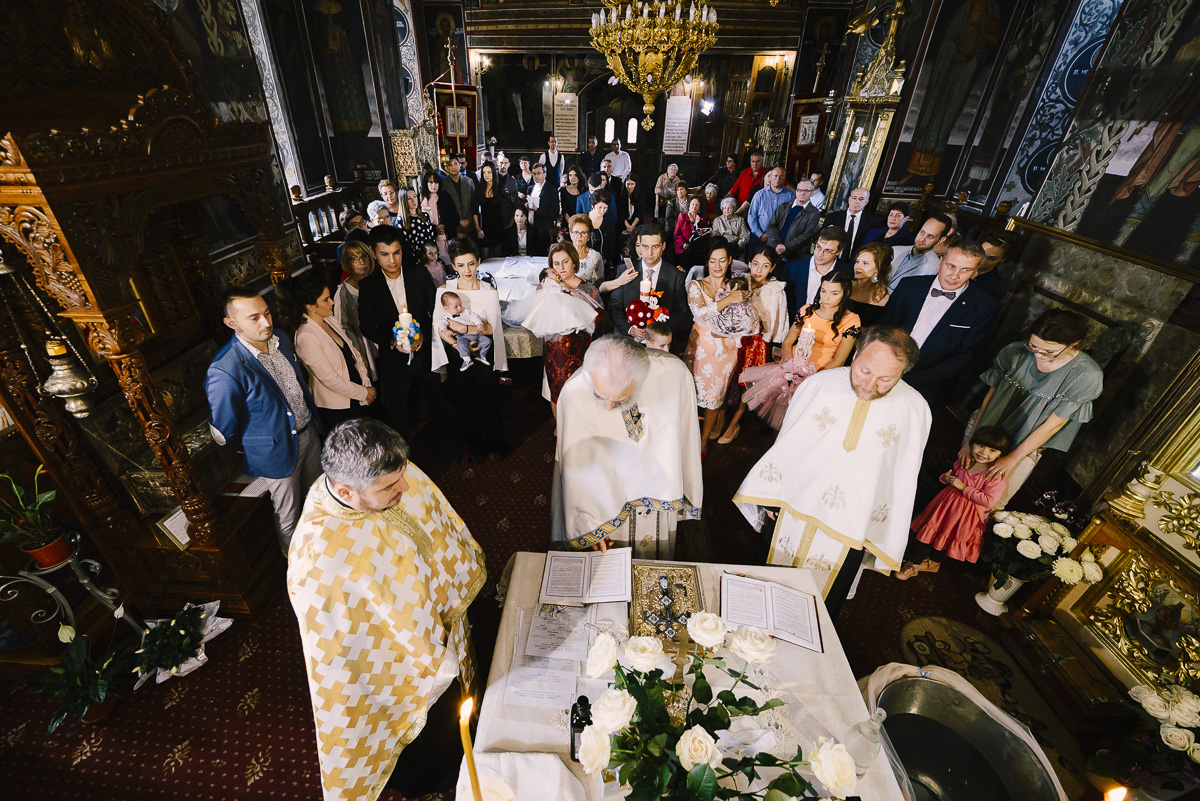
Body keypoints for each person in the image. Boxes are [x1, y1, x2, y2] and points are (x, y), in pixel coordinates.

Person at [286, 418, 485, 800]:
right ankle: (435, 775)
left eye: (402, 477)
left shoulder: (389, 473)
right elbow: (347, 649)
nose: (405, 488)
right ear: (346, 491)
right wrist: (422, 646)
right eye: (390, 487)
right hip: (395, 665)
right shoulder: (319, 562)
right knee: (429, 732)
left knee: (454, 703)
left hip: (435, 621)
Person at [733, 326, 932, 618]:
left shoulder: (914, 409)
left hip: (852, 523)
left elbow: (902, 477)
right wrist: (771, 496)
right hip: (794, 505)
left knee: (819, 609)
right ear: (855, 354)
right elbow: (788, 443)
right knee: (764, 587)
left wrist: (878, 531)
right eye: (864, 371)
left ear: (903, 372)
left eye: (886, 378)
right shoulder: (820, 385)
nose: (870, 384)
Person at [551, 334, 702, 559]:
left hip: (659, 491)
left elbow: (685, 433)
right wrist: (589, 525)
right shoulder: (575, 394)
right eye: (600, 395)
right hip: (605, 501)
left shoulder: (673, 375)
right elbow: (576, 467)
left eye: (620, 399)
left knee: (655, 559)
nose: (608, 406)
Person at [206, 286, 322, 551]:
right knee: (289, 516)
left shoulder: (279, 337)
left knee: (319, 498)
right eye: (254, 318)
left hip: (309, 432)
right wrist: (260, 445)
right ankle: (296, 567)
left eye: (267, 313)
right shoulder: (225, 369)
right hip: (276, 452)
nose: (266, 322)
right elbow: (224, 429)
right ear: (231, 323)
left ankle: (324, 552)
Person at [963, 309, 1103, 509]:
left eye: (1049, 352)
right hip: (983, 433)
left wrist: (1012, 459)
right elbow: (989, 400)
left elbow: (1052, 426)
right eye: (1033, 346)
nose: (1038, 355)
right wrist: (971, 441)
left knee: (990, 504)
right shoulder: (1015, 351)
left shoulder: (1086, 375)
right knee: (959, 487)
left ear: (1074, 343)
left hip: (1025, 445)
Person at [882, 240, 1000, 409]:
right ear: (940, 262)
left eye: (965, 270)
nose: (955, 275)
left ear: (975, 272)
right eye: (951, 266)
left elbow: (965, 356)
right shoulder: (908, 285)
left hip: (928, 387)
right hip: (884, 369)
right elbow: (884, 327)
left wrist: (909, 379)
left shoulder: (985, 306)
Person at [741, 271, 860, 429]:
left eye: (834, 293)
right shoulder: (807, 310)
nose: (826, 297)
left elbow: (839, 360)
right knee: (784, 415)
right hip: (793, 367)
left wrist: (811, 377)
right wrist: (792, 367)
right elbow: (788, 341)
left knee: (805, 421)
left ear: (846, 293)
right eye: (823, 291)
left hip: (822, 374)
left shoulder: (851, 320)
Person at [357, 225, 440, 444]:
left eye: (396, 252)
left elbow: (435, 310)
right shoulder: (368, 286)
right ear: (373, 253)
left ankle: (447, 447)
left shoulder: (418, 274)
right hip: (393, 359)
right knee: (398, 412)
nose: (392, 260)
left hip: (425, 353)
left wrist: (423, 335)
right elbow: (367, 326)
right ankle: (404, 457)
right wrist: (393, 341)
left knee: (437, 402)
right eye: (384, 254)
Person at [897, 425, 1011, 579]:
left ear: (1001, 454)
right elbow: (953, 476)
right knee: (929, 531)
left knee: (948, 537)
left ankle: (932, 563)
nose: (984, 452)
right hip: (944, 506)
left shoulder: (994, 476)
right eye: (980, 446)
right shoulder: (966, 461)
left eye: (992, 450)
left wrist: (963, 487)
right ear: (972, 444)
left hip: (965, 516)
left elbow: (988, 500)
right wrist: (946, 478)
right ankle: (913, 562)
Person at [433, 237, 510, 461]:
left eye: (470, 264)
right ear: (453, 266)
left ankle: (496, 444)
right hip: (457, 352)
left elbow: (492, 328)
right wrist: (457, 344)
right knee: (464, 401)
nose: (467, 270)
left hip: (484, 348)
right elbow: (438, 327)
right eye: (460, 265)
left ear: (478, 262)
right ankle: (475, 448)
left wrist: (465, 329)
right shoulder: (444, 291)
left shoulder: (489, 290)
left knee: (489, 398)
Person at [683, 240, 754, 455]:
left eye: (722, 260)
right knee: (689, 395)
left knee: (714, 398)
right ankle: (686, 437)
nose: (717, 265)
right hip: (699, 349)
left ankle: (703, 441)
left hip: (725, 351)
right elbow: (700, 313)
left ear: (729, 261)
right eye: (713, 261)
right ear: (707, 262)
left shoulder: (736, 286)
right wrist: (729, 300)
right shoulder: (696, 286)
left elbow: (745, 319)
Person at [285, 272, 378, 431]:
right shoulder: (306, 337)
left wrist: (366, 384)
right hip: (337, 406)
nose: (332, 302)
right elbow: (330, 380)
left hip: (357, 394)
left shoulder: (329, 319)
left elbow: (354, 354)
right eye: (326, 299)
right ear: (310, 306)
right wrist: (363, 393)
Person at [718, 249, 789, 445]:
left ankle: (734, 424)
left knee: (746, 385)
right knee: (726, 379)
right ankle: (720, 420)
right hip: (734, 339)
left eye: (765, 266)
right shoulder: (740, 283)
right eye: (755, 264)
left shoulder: (775, 291)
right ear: (749, 263)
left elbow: (779, 321)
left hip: (756, 343)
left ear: (772, 268)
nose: (759, 270)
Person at [529, 242, 603, 420]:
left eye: (565, 262)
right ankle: (559, 427)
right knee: (555, 390)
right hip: (553, 352)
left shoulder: (587, 289)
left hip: (580, 353)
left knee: (579, 394)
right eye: (556, 263)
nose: (561, 267)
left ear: (574, 262)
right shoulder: (545, 287)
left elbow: (599, 320)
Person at [608, 223, 693, 354]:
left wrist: (657, 329)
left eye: (655, 246)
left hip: (660, 347)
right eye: (645, 246)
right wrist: (630, 329)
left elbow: (682, 313)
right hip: (628, 343)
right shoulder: (625, 270)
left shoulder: (676, 275)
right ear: (639, 247)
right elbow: (614, 307)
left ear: (663, 246)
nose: (650, 252)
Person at [783, 224, 850, 319]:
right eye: (818, 247)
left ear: (839, 251)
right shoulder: (793, 268)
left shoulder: (847, 272)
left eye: (828, 251)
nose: (820, 254)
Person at [334, 239, 378, 380]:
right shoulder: (343, 291)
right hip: (362, 345)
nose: (362, 262)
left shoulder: (378, 281)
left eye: (364, 256)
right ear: (347, 263)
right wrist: (357, 354)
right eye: (355, 258)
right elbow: (343, 326)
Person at [886, 213, 952, 291]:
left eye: (930, 236)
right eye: (922, 232)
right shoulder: (895, 250)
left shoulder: (934, 268)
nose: (922, 239)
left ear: (941, 240)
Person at [765, 178, 821, 262]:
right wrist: (777, 245)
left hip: (794, 256)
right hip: (773, 250)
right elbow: (771, 226)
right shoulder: (783, 206)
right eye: (799, 190)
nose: (802, 193)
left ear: (812, 193)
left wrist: (786, 247)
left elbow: (807, 235)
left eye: (806, 191)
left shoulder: (814, 213)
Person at [747, 167, 795, 257]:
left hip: (780, 239)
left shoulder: (790, 196)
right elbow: (751, 216)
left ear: (785, 178)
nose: (778, 179)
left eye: (781, 176)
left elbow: (792, 218)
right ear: (771, 177)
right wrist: (760, 234)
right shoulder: (759, 194)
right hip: (759, 236)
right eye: (775, 176)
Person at [439, 291, 492, 370]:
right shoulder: (446, 317)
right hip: (462, 337)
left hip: (476, 334)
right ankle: (467, 360)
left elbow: (474, 317)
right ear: (446, 308)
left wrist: (479, 324)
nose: (460, 308)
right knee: (461, 344)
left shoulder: (466, 311)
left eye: (460, 305)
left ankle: (481, 355)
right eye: (456, 307)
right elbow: (442, 325)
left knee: (487, 341)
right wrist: (445, 330)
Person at [824, 187, 883, 256]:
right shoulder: (832, 217)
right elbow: (819, 236)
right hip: (833, 256)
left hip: (858, 258)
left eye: (861, 199)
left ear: (866, 202)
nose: (857, 201)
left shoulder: (874, 221)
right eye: (854, 198)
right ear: (849, 199)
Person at [847, 242, 893, 328]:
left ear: (878, 269)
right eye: (857, 261)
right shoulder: (845, 287)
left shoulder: (886, 300)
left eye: (865, 263)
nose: (857, 267)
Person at [472, 162, 506, 259]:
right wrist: (477, 228)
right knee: (485, 260)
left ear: (494, 173)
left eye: (489, 172)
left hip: (498, 228)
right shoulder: (479, 188)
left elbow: (510, 206)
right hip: (484, 229)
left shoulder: (500, 187)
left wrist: (509, 223)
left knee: (497, 260)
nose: (486, 175)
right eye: (484, 172)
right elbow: (474, 210)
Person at [422, 171, 458, 265]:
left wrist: (444, 226)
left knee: (449, 263)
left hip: (446, 236)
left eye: (436, 182)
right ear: (426, 183)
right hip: (429, 238)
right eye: (430, 182)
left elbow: (455, 217)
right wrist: (434, 229)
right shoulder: (421, 199)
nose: (433, 185)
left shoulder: (446, 196)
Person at [398, 186, 437, 265]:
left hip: (429, 258)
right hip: (414, 261)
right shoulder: (402, 220)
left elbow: (432, 238)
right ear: (404, 201)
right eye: (409, 198)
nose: (413, 200)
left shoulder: (425, 216)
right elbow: (405, 246)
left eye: (415, 196)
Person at [527, 163, 561, 254]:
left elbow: (555, 213)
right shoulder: (530, 188)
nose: (536, 176)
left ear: (545, 174)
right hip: (531, 228)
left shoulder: (551, 189)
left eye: (539, 173)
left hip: (545, 230)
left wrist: (537, 210)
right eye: (534, 174)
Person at [442, 154, 476, 240]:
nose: (453, 167)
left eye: (455, 163)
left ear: (459, 165)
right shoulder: (443, 184)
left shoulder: (469, 181)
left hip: (469, 225)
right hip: (453, 227)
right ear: (446, 168)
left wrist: (468, 220)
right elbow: (444, 208)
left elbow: (474, 203)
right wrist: (459, 221)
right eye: (450, 165)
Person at [674, 195, 710, 269]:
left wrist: (702, 233)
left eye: (697, 205)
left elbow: (707, 233)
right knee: (687, 256)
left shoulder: (703, 217)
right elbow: (677, 233)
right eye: (693, 204)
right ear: (689, 205)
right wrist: (683, 243)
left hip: (698, 247)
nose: (694, 207)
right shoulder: (682, 216)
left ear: (699, 207)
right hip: (685, 246)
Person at [567, 213, 604, 283]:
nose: (579, 236)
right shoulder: (563, 253)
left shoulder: (595, 256)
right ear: (571, 234)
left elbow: (599, 282)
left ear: (589, 236)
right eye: (576, 232)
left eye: (584, 233)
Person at [974, 232, 1011, 300]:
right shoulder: (958, 266)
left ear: (1003, 259)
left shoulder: (997, 287)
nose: (982, 261)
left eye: (991, 259)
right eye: (981, 254)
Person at [621, 174, 650, 248]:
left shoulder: (641, 196)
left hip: (636, 223)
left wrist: (632, 226)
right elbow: (621, 213)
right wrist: (628, 226)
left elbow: (640, 214)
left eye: (632, 184)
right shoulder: (621, 196)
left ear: (636, 184)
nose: (630, 186)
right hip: (624, 223)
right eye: (628, 184)